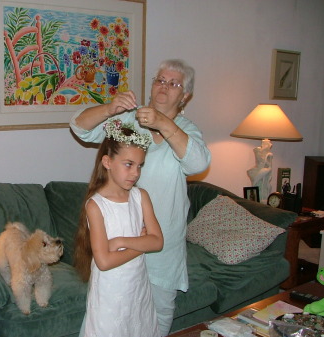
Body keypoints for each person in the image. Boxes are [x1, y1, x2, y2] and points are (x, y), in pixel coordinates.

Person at [70, 59, 211, 336]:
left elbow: (197, 164)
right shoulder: (126, 120)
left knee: (153, 325)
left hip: (161, 252)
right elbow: (80, 127)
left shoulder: (186, 130)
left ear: (185, 96)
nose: (164, 87)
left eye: (174, 84)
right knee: (115, 322)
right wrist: (111, 108)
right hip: (116, 248)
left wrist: (162, 123)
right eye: (160, 80)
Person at [74, 118, 163, 337]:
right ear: (107, 162)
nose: (135, 173)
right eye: (128, 164)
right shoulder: (96, 205)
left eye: (140, 166)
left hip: (138, 287)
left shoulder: (140, 197)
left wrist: (123, 241)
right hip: (110, 294)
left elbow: (158, 241)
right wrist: (141, 246)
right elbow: (104, 262)